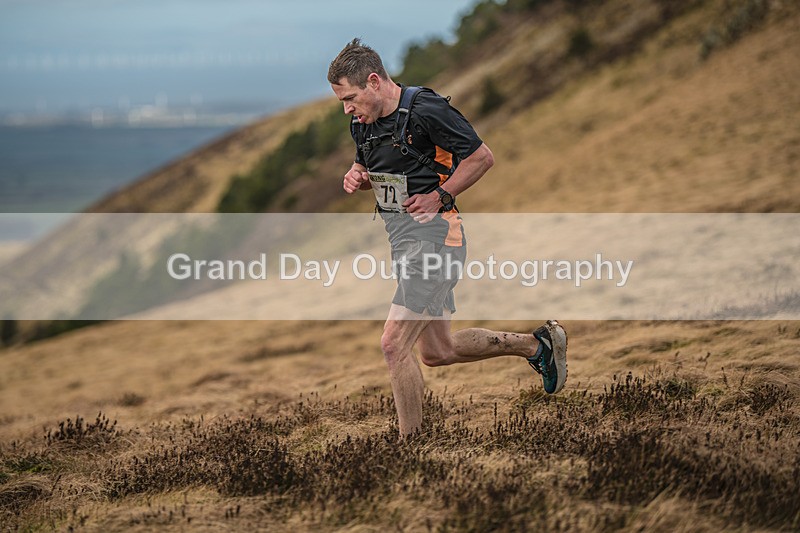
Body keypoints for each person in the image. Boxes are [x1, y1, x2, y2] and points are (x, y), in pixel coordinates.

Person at [328, 38, 567, 436]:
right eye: (342, 102)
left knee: (393, 345)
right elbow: (372, 170)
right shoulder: (361, 124)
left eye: (350, 98)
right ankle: (537, 346)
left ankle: (411, 447)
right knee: (438, 352)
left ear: (374, 81)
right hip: (404, 242)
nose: (347, 109)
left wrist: (441, 195)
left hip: (437, 239)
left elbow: (482, 157)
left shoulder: (426, 109)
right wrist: (359, 178)